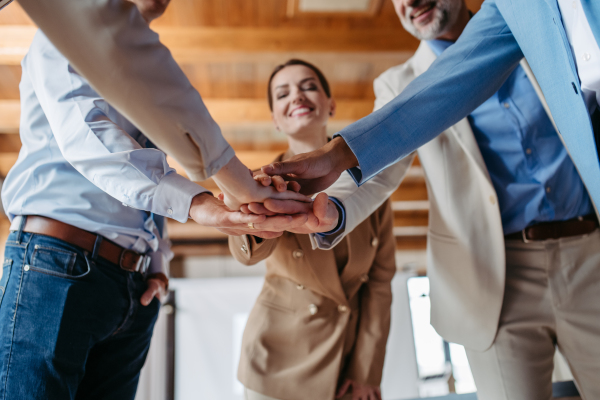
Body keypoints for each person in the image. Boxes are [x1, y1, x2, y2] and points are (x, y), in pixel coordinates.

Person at [264, 1, 600, 399]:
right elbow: (379, 172)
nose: (411, 3)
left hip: (591, 253)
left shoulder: (533, 24)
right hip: (494, 280)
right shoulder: (399, 81)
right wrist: (332, 208)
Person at [0, 1, 313, 398]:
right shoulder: (62, 28)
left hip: (134, 288)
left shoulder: (144, 65)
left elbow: (151, 168)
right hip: (56, 266)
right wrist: (202, 204)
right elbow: (89, 139)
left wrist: (159, 262)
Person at [229, 60, 396, 400]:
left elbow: (380, 283)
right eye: (282, 93)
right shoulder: (261, 183)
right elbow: (247, 255)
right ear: (275, 119)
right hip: (276, 361)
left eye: (308, 86)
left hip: (347, 366)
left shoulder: (373, 184)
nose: (297, 96)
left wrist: (366, 370)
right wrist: (258, 209)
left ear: (331, 104)